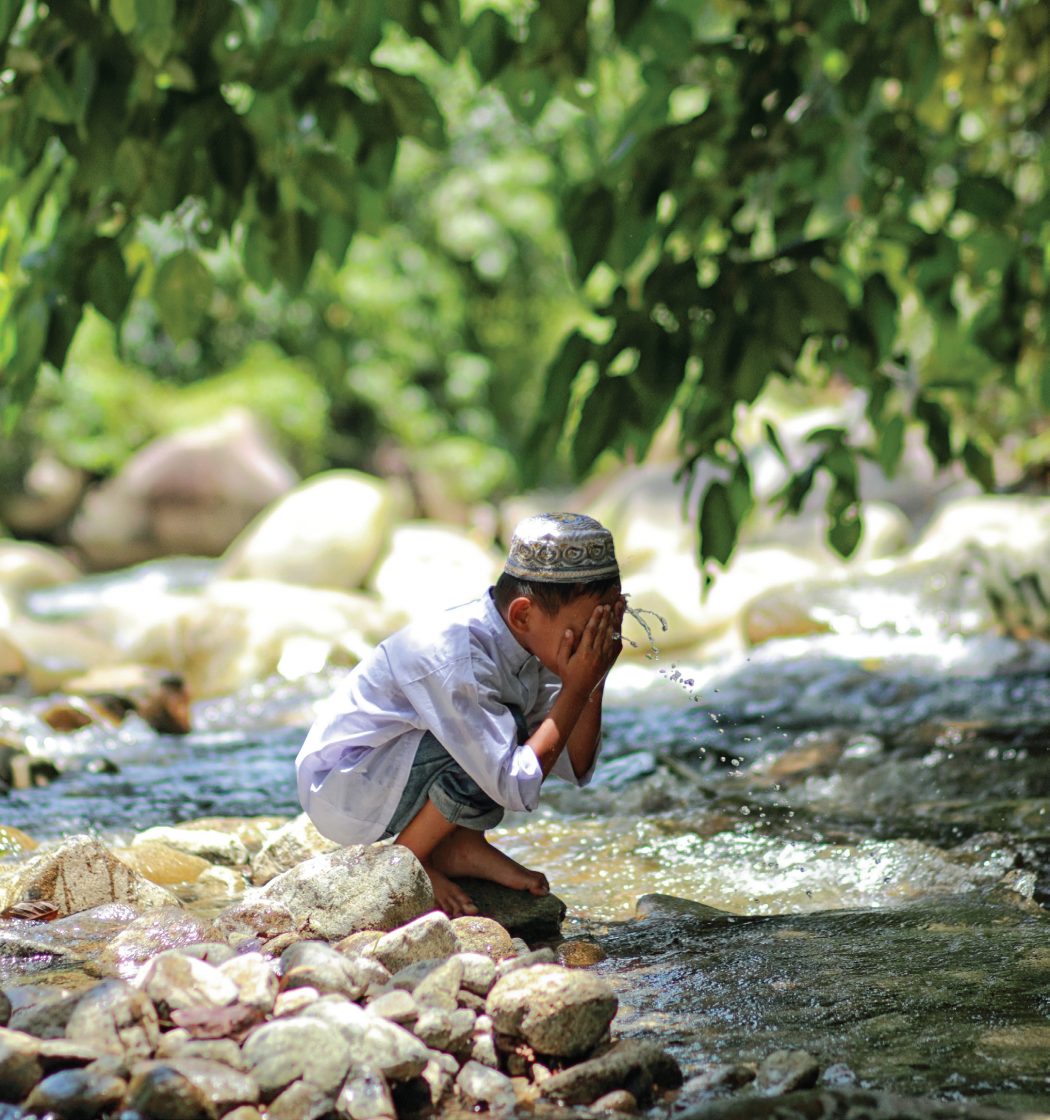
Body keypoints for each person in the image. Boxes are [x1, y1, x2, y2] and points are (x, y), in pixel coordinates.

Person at [295, 512, 626, 916]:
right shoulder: (458, 656)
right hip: (346, 787)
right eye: (591, 628)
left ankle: (458, 848)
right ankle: (408, 860)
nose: (598, 640)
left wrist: (594, 678)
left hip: (391, 779)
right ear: (523, 615)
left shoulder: (535, 643)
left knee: (504, 732)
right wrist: (575, 688)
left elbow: (575, 764)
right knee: (499, 735)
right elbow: (513, 782)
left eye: (609, 624)